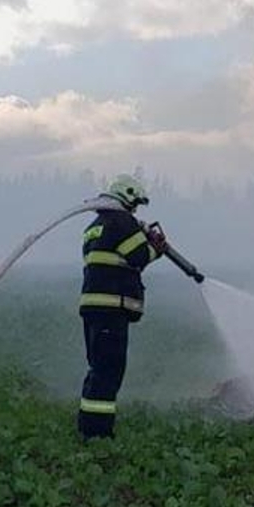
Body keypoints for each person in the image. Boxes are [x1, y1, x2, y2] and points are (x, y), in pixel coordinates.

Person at [77, 173, 166, 439]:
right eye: (135, 203)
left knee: (98, 367)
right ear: (127, 197)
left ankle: (88, 425)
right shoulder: (123, 222)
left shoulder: (95, 225)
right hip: (111, 308)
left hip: (93, 307)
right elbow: (138, 256)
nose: (136, 209)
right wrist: (156, 248)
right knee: (109, 371)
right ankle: (98, 434)